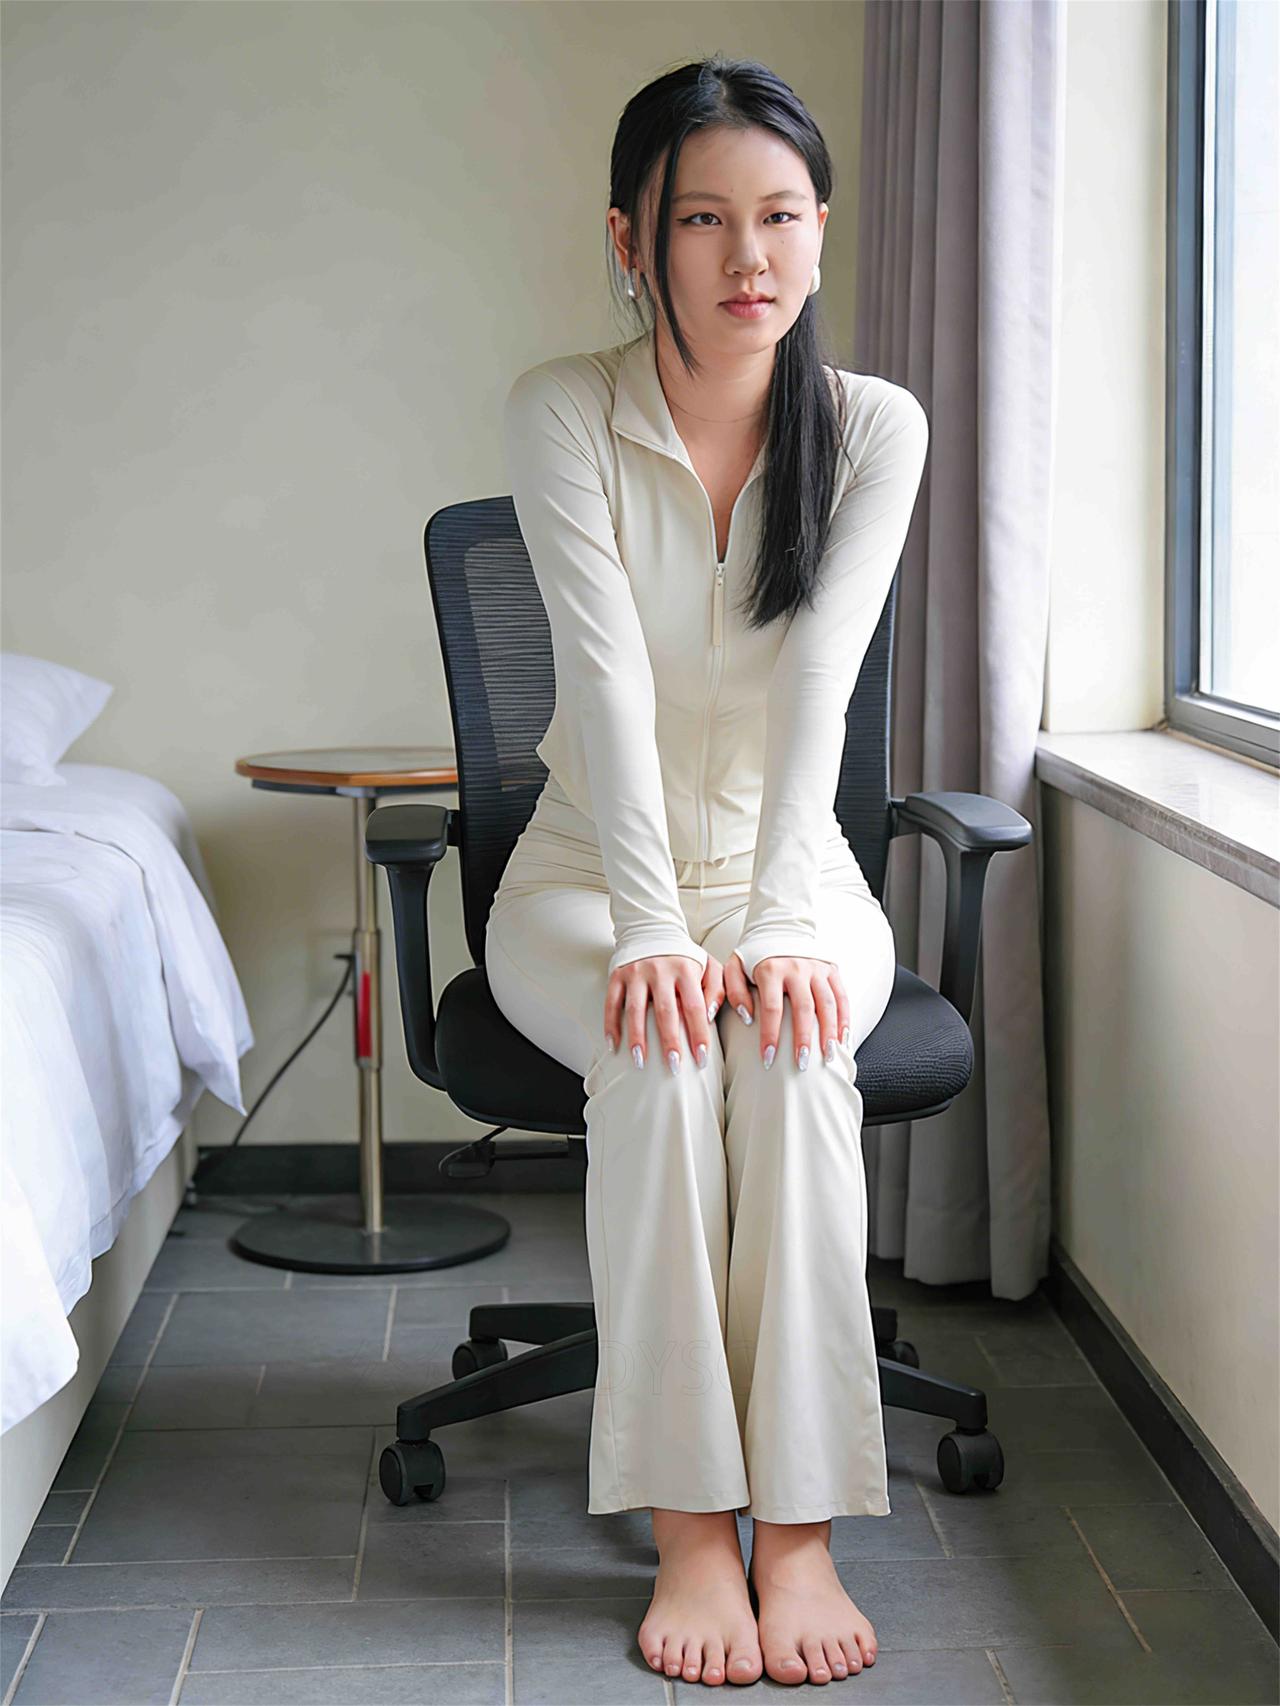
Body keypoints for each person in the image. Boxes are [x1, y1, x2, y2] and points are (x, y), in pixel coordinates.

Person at [486, 53, 929, 1690]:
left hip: (792, 873)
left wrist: (785, 917)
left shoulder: (873, 427)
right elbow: (603, 681)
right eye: (702, 219)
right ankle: (690, 1525)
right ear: (632, 237)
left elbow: (823, 684)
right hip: (588, 874)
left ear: (820, 230)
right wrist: (655, 933)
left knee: (794, 1051)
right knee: (665, 1049)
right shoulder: (565, 408)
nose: (751, 254)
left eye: (783, 215)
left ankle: (797, 1531)